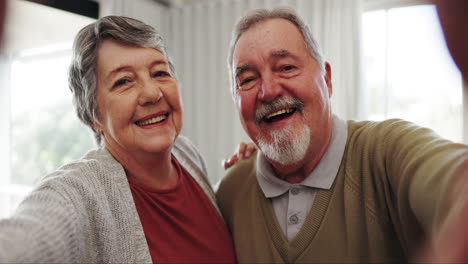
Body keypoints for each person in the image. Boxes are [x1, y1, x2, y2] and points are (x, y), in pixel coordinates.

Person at [216, 7, 468, 263]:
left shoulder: (387, 152)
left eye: (286, 67)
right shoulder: (230, 191)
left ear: (326, 79)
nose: (268, 91)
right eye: (247, 80)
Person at [0, 15, 250, 263]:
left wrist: (248, 169)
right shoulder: (79, 193)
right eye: (123, 81)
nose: (152, 93)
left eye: (160, 73)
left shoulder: (186, 154)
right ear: (93, 116)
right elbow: (26, 243)